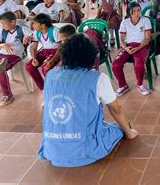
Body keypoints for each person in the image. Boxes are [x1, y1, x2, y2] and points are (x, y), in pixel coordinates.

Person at [38, 33, 138, 167]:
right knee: (119, 128)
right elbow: (116, 109)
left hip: (52, 150)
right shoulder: (97, 78)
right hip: (85, 151)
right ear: (91, 56)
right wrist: (129, 133)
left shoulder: (50, 75)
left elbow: (44, 107)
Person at [112, 2, 152, 97]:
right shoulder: (125, 22)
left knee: (139, 65)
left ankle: (140, 84)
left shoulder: (145, 21)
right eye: (134, 11)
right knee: (115, 64)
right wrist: (125, 47)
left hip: (141, 46)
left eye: (138, 10)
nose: (137, 13)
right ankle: (123, 85)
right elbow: (121, 39)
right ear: (129, 12)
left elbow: (147, 38)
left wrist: (138, 48)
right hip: (128, 46)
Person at [0, 12, 32, 106]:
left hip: (15, 54)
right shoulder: (1, 31)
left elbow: (34, 36)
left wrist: (28, 37)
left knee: (0, 69)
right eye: (1, 23)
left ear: (13, 22)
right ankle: (1, 63)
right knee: (0, 66)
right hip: (1, 53)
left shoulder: (22, 29)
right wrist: (2, 45)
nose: (2, 25)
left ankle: (8, 95)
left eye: (4, 23)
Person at [25, 13, 61, 91]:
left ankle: (53, 89)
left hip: (56, 52)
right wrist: (34, 58)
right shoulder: (37, 32)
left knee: (46, 68)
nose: (33, 25)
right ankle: (44, 88)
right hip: (45, 51)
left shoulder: (54, 31)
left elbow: (60, 48)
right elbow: (34, 48)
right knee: (29, 66)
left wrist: (52, 60)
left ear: (43, 25)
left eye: (35, 23)